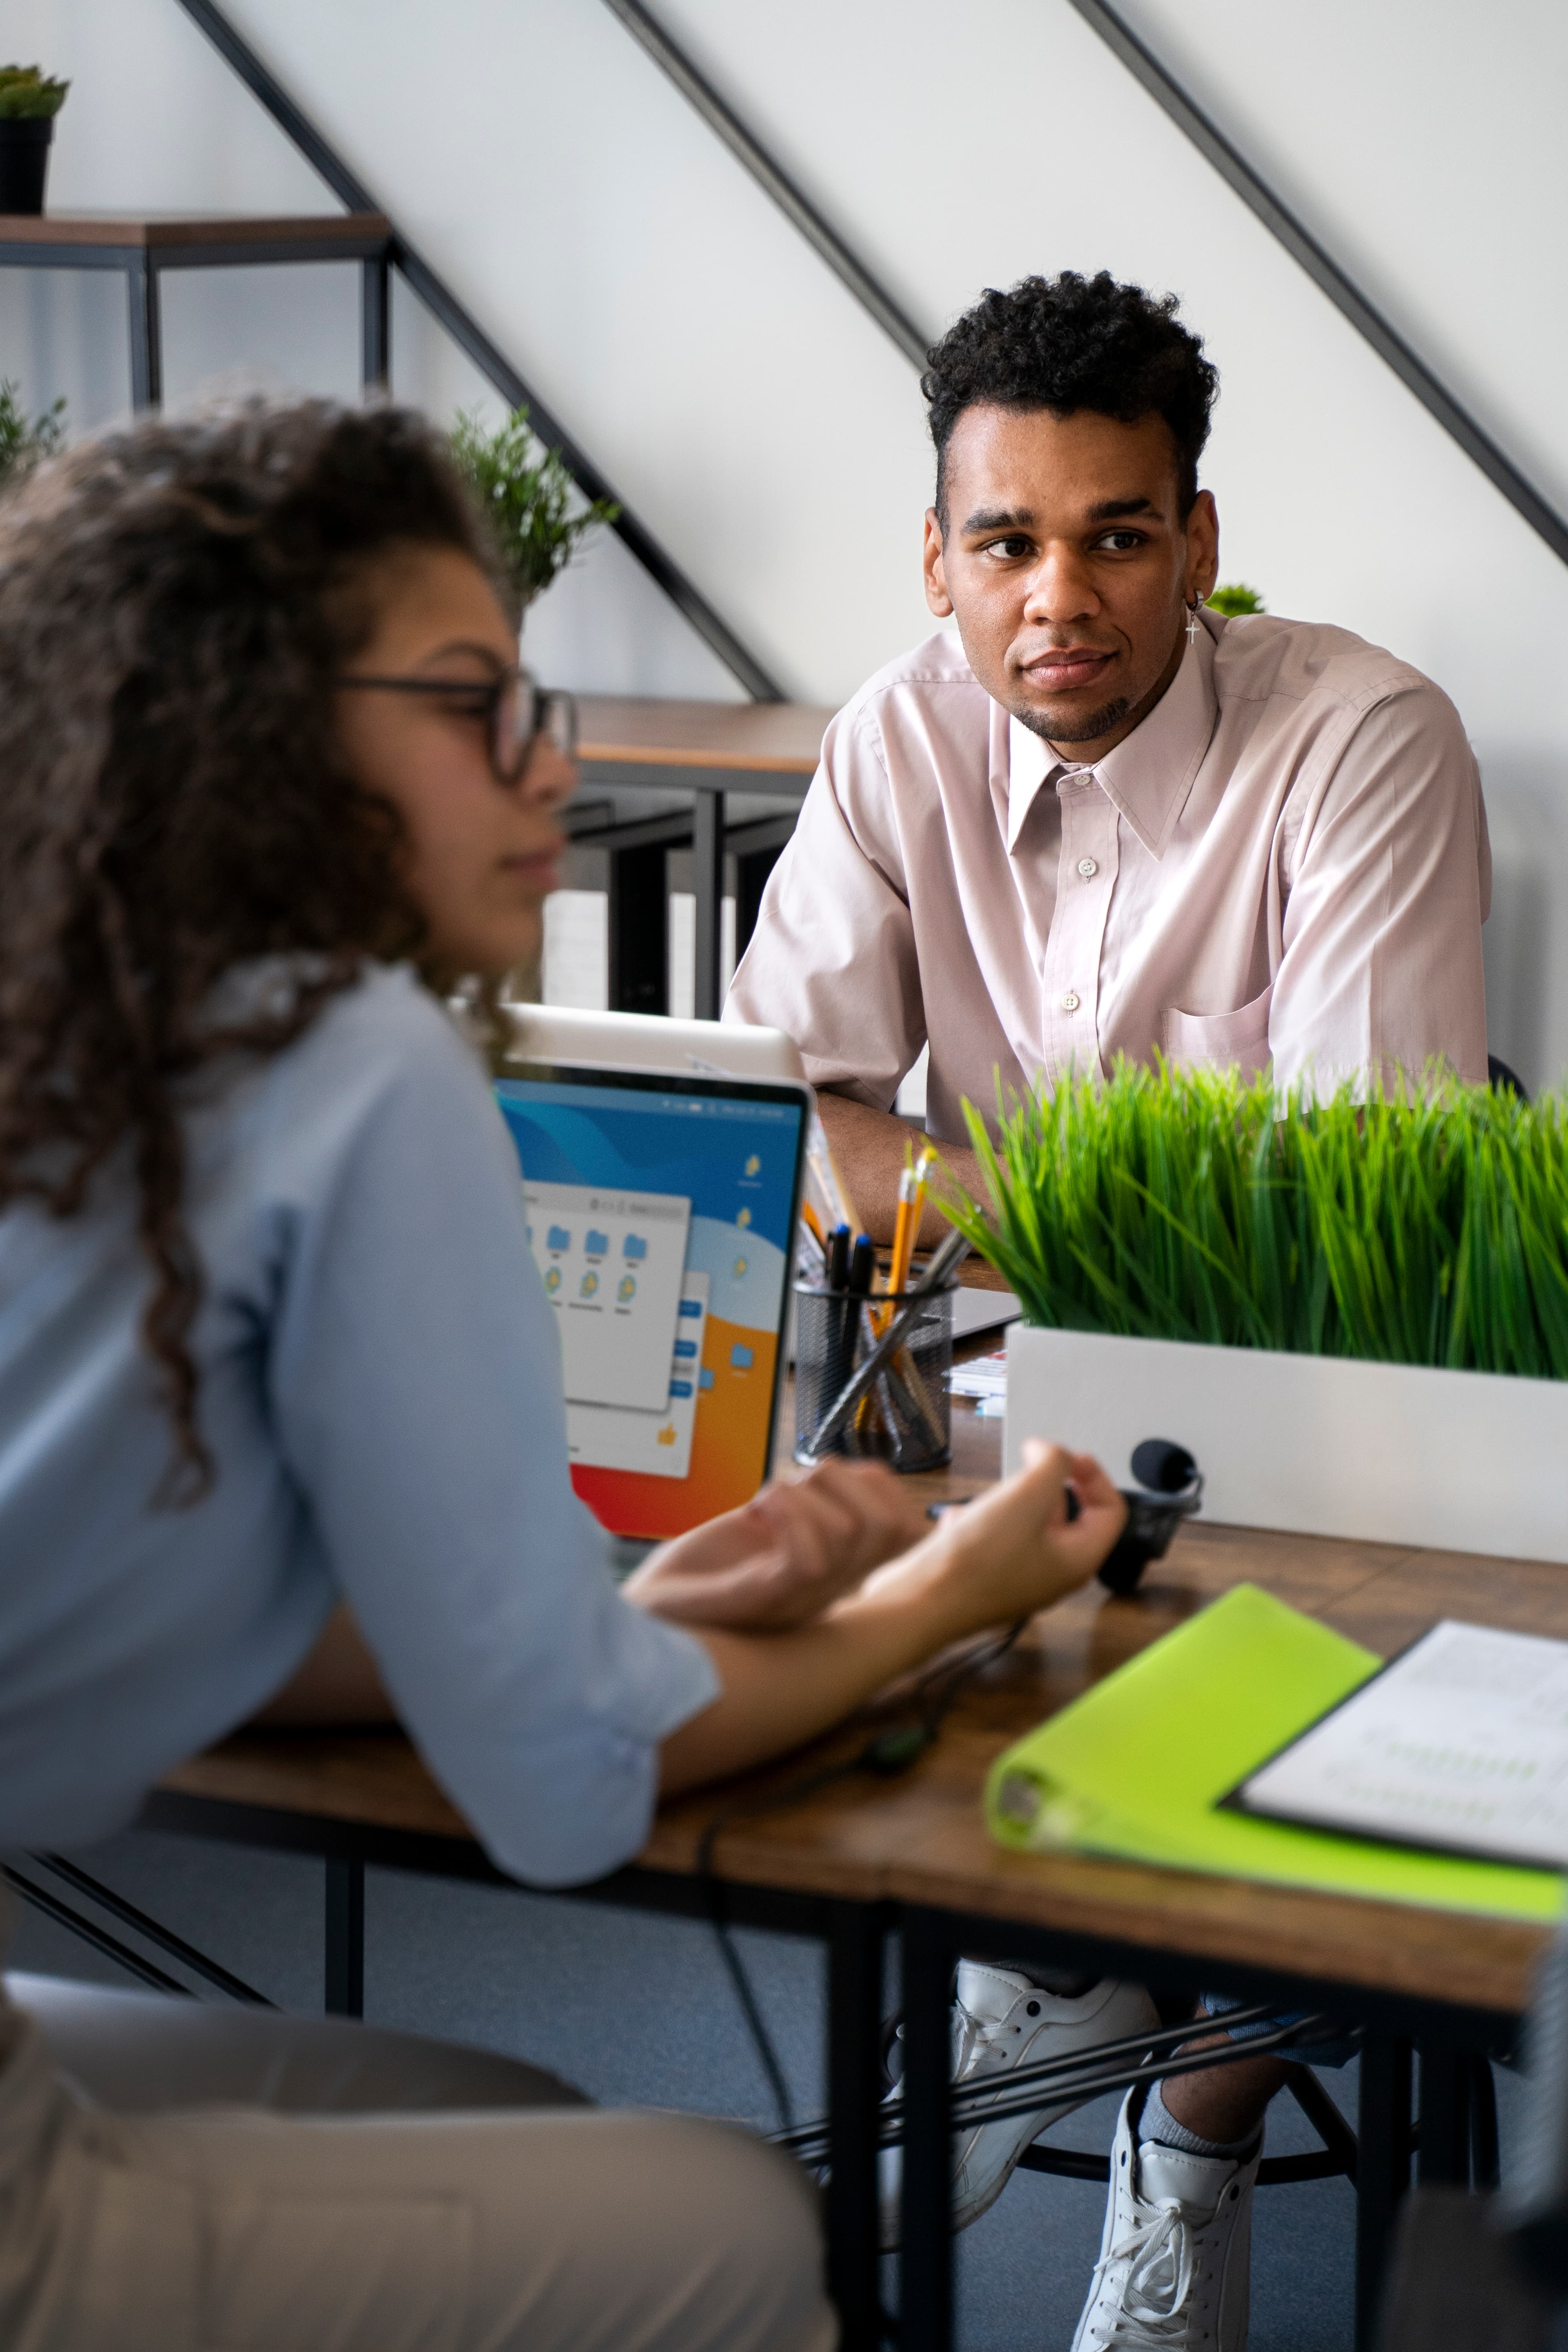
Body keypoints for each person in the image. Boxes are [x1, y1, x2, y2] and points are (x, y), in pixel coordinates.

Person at [0, 398, 1132, 2352]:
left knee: (500, 2113)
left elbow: (130, 1599)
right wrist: (940, 1596)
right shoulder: (354, 1068)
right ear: (245, 729)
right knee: (728, 2225)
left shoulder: (88, 1032)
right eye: (467, 702)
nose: (553, 761)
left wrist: (635, 1606)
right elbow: (562, 1795)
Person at [728, 270, 1492, 2350]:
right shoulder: (897, 736)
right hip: (988, 1413)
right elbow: (783, 1124)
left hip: (1325, 1415)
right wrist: (1120, 1210)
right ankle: (1038, 1966)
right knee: (811, 1538)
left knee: (1345, 1694)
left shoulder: (1363, 743)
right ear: (941, 558)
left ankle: (1191, 2133)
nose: (1060, 595)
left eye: (1117, 536)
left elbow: (1335, 1226)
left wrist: (952, 1189)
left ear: (1199, 546)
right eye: (1009, 543)